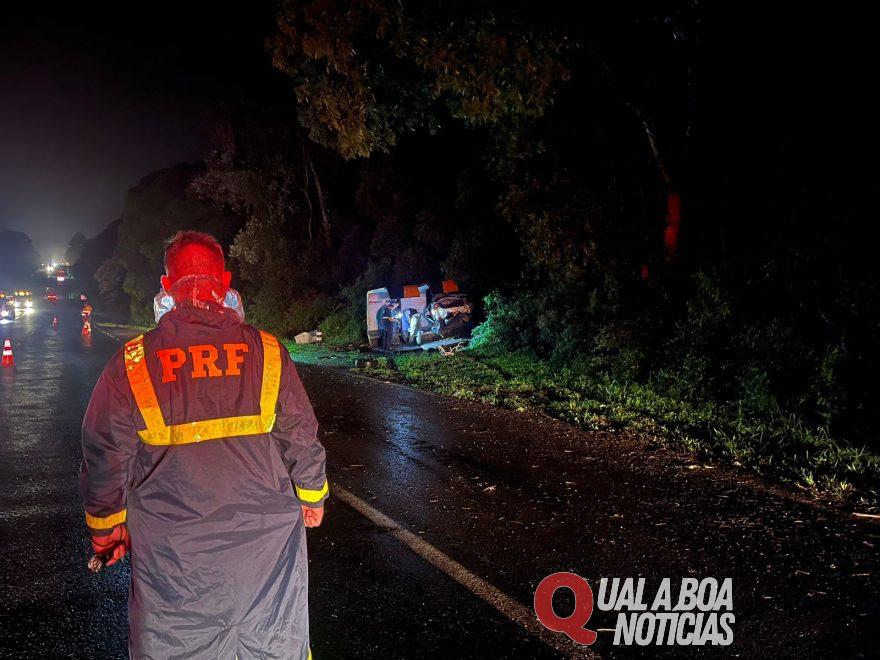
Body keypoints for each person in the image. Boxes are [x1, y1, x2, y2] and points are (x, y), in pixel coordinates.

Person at [80, 231, 327, 659]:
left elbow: (105, 453)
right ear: (226, 281)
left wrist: (107, 528)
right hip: (264, 559)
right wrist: (312, 495)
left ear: (165, 286)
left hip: (175, 564)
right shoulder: (268, 352)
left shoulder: (134, 363)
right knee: (269, 643)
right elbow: (300, 433)